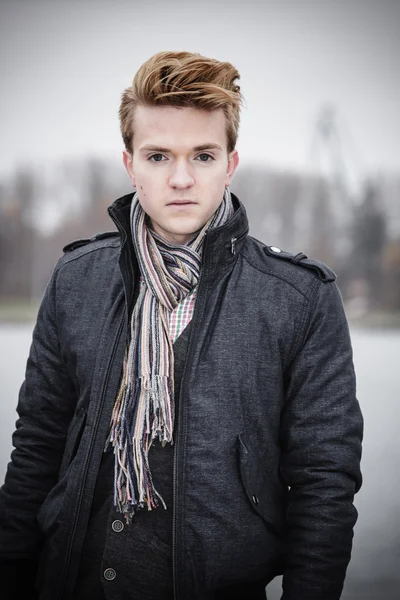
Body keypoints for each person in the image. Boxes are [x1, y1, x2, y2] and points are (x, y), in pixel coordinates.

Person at [0, 51, 363, 600]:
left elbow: (324, 482)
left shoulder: (300, 298)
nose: (180, 178)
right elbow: (37, 446)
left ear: (230, 164)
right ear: (130, 165)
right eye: (157, 155)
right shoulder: (76, 280)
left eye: (203, 155)